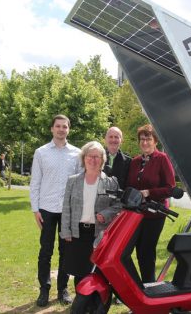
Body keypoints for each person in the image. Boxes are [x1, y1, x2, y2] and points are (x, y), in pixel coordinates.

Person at [30, 114, 83, 307]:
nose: (61, 129)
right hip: (47, 209)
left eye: (65, 127)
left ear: (69, 130)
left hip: (67, 211)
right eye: (58, 126)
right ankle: (44, 290)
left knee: (66, 252)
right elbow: (35, 182)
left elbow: (79, 184)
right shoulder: (41, 152)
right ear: (52, 129)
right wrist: (35, 209)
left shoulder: (77, 154)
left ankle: (62, 289)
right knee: (46, 251)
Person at [59, 141, 121, 287]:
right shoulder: (73, 181)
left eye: (97, 156)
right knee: (79, 270)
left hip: (99, 233)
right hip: (77, 232)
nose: (93, 160)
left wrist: (106, 213)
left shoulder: (111, 182)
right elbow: (66, 207)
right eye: (90, 156)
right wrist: (66, 231)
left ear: (102, 159)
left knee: (97, 270)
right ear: (84, 158)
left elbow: (118, 205)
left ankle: (95, 302)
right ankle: (81, 300)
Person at [126, 124, 176, 283]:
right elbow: (130, 185)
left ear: (155, 141)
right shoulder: (135, 161)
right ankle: (136, 287)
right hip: (135, 214)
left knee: (146, 252)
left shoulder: (162, 159)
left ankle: (149, 287)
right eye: (142, 139)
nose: (145, 142)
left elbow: (170, 188)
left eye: (148, 139)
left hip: (155, 214)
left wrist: (149, 192)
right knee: (127, 252)